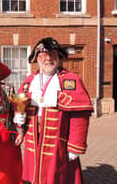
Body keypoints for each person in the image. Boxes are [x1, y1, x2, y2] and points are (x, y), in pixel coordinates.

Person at [13, 37, 93, 184]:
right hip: (33, 140)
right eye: (43, 56)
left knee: (57, 177)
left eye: (52, 55)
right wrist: (20, 126)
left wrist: (75, 145)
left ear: (59, 57)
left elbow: (80, 115)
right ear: (37, 59)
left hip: (58, 143)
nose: (48, 59)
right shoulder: (30, 81)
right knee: (33, 175)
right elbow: (20, 106)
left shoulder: (70, 80)